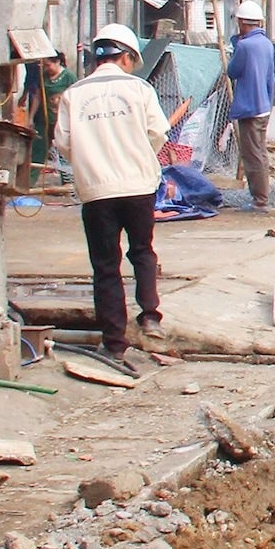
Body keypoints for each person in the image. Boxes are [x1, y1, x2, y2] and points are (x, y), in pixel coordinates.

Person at [56, 23, 169, 374]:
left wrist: (90, 161)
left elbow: (63, 142)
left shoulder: (74, 93)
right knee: (142, 250)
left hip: (96, 190)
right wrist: (138, 156)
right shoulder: (140, 89)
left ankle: (115, 342)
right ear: (127, 56)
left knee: (106, 266)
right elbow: (157, 133)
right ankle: (150, 315)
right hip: (138, 186)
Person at [225, 1, 275, 210]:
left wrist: (236, 45)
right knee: (260, 152)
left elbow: (232, 71)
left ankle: (260, 200)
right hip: (264, 105)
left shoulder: (245, 46)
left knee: (252, 155)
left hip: (250, 107)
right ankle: (261, 198)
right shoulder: (266, 44)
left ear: (242, 23)